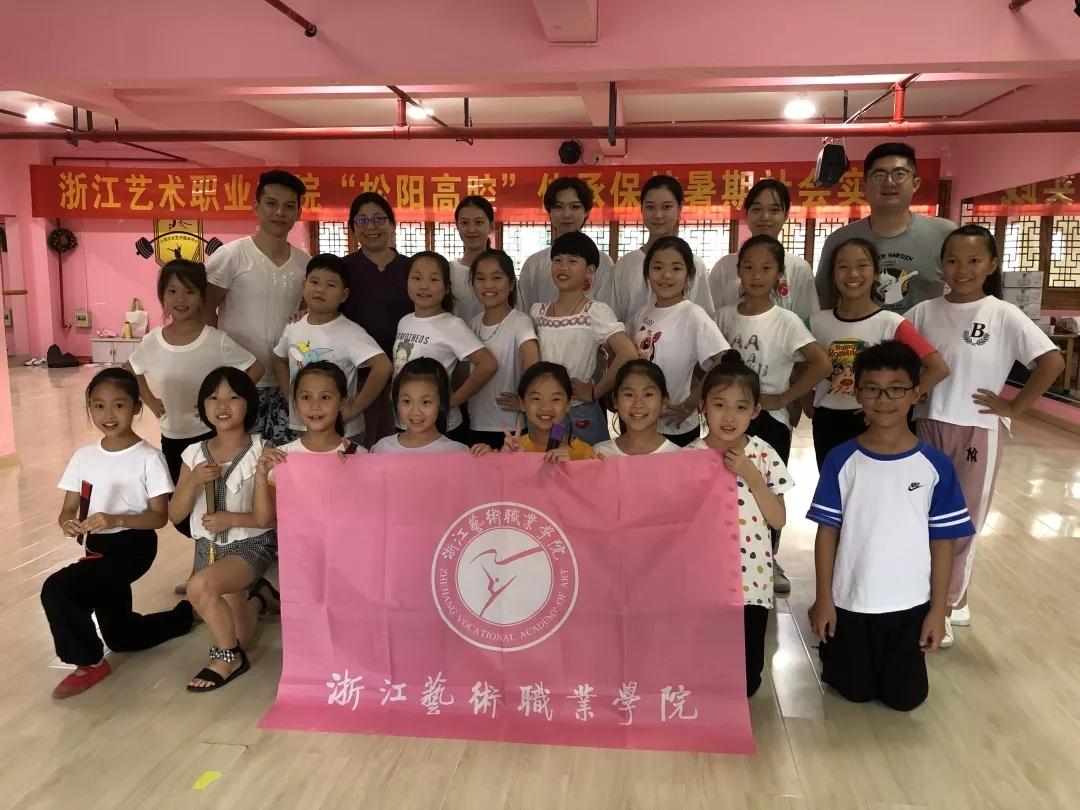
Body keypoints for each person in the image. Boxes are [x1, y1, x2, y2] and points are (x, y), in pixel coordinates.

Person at [905, 225, 1063, 645]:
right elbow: (897, 352)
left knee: (964, 520)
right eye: (953, 260)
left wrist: (1014, 406)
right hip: (928, 423)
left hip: (978, 429)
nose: (962, 269)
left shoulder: (1003, 314)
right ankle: (934, 595)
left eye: (974, 261)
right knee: (924, 515)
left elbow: (1051, 361)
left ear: (992, 265)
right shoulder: (923, 313)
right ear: (941, 265)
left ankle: (948, 605)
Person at [807, 341, 974, 711]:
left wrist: (938, 610)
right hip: (851, 600)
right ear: (857, 392)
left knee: (906, 699)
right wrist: (824, 598)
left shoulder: (936, 466)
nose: (884, 399)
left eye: (896, 389)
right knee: (853, 691)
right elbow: (827, 532)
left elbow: (943, 542)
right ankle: (835, 653)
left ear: (916, 393)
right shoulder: (841, 459)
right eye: (872, 389)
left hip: (910, 604)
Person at [43, 369, 195, 699]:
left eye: (118, 405)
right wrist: (67, 524)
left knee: (58, 588)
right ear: (89, 408)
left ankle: (88, 663)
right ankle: (186, 615)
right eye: (98, 406)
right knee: (122, 636)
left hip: (133, 547)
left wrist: (115, 518)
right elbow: (68, 509)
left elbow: (159, 517)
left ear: (136, 407)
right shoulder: (83, 457)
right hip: (96, 545)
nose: (108, 415)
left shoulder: (149, 458)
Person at [716, 234, 830, 594]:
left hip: (769, 421)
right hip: (727, 419)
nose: (756, 275)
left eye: (766, 268)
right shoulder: (723, 316)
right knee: (728, 489)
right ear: (738, 271)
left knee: (766, 490)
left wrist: (784, 397)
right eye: (749, 267)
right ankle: (726, 556)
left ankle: (768, 558)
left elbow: (821, 363)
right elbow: (709, 364)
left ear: (779, 274)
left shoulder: (786, 320)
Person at [129, 259, 262, 541]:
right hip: (172, 436)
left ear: (202, 296)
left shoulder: (216, 340)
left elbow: (255, 368)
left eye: (190, 291)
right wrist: (150, 400)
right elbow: (131, 369)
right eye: (172, 291)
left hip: (209, 436)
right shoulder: (152, 341)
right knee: (180, 512)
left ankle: (220, 556)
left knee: (213, 503)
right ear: (162, 296)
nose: (181, 299)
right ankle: (207, 555)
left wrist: (220, 404)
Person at [686, 352, 792, 697]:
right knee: (705, 666)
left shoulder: (763, 454)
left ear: (756, 411)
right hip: (704, 579)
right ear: (702, 406)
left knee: (746, 680)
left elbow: (778, 519)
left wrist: (753, 477)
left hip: (751, 578)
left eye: (740, 407)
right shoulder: (688, 457)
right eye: (719, 405)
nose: (729, 417)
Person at [169, 367, 277, 692]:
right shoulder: (193, 454)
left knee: (200, 589)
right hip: (209, 550)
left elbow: (267, 519)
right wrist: (192, 480)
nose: (222, 405)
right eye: (213, 397)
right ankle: (260, 597)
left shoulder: (262, 450)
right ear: (202, 406)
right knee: (240, 632)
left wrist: (230, 519)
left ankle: (229, 657)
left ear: (250, 403)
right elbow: (175, 513)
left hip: (250, 546)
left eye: (233, 397)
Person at [805, 238, 949, 469]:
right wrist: (804, 397)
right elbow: (797, 363)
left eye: (862, 265)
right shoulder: (815, 322)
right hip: (828, 421)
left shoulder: (893, 323)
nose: (852, 273)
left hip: (877, 421)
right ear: (833, 274)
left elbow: (938, 368)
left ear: (875, 273)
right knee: (834, 483)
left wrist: (898, 401)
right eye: (843, 266)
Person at [205, 169, 309, 446]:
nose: (280, 213)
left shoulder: (305, 264)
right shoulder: (232, 256)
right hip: (240, 381)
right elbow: (205, 312)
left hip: (288, 381)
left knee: (283, 459)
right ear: (256, 207)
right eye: (271, 204)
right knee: (239, 457)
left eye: (289, 206)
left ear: (299, 213)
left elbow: (306, 317)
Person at [814, 143, 958, 313]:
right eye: (879, 175)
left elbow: (966, 290)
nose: (889, 182)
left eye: (900, 174)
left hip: (924, 331)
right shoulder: (840, 240)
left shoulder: (944, 234)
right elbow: (824, 300)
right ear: (863, 187)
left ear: (915, 184)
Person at [272, 254, 392, 447]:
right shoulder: (294, 325)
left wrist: (355, 408)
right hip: (303, 425)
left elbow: (383, 366)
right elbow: (278, 359)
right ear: (304, 286)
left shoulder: (350, 331)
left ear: (344, 295)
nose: (320, 289)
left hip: (343, 430)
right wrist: (291, 398)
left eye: (331, 285)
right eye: (314, 282)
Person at [530, 232, 638, 446]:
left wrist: (596, 391)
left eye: (572, 261)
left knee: (586, 461)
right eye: (557, 260)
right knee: (551, 460)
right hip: (545, 412)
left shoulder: (595, 311)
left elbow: (628, 352)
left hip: (579, 413)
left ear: (589, 271)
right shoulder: (537, 312)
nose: (563, 267)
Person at [628, 236, 729, 446]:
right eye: (657, 268)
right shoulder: (643, 313)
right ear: (647, 272)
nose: (666, 275)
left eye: (676, 268)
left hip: (674, 426)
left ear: (689, 274)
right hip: (639, 420)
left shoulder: (692, 314)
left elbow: (723, 360)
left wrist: (690, 404)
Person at [392, 251, 498, 446]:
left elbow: (488, 364)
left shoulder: (452, 325)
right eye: (417, 278)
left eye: (433, 279)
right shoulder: (404, 321)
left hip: (442, 427)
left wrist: (453, 401)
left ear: (447, 287)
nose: (424, 286)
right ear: (406, 283)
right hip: (406, 421)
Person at [341, 192, 414, 446]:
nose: (370, 226)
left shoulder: (411, 269)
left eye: (378, 219)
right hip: (357, 378)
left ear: (392, 224)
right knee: (360, 448)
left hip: (406, 377)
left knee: (400, 447)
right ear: (352, 228)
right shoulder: (342, 269)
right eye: (361, 220)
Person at [607, 175, 714, 323]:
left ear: (680, 208)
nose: (658, 215)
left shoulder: (694, 264)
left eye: (667, 207)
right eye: (650, 207)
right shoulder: (625, 264)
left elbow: (705, 320)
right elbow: (612, 319)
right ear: (641, 209)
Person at [709, 178, 819, 318]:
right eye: (757, 209)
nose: (765, 217)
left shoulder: (799, 268)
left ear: (786, 215)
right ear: (746, 213)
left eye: (774, 210)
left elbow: (807, 321)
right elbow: (710, 319)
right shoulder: (724, 267)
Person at [467, 249, 539, 450]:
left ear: (511, 283)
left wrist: (525, 400)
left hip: (510, 426)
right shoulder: (472, 324)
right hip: (475, 421)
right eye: (480, 278)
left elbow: (532, 361)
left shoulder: (520, 321)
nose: (488, 285)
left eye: (497, 278)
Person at [516, 177, 614, 313]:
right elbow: (523, 311)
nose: (567, 214)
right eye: (558, 207)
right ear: (549, 212)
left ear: (586, 211)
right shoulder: (534, 264)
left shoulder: (602, 262)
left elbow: (607, 311)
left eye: (575, 207)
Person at [484, 361, 598, 461]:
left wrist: (571, 469)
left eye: (555, 399)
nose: (546, 407)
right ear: (522, 403)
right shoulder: (512, 448)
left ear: (568, 405)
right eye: (536, 398)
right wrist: (493, 457)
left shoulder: (584, 453)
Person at [371, 358, 470, 453]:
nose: (416, 412)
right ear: (397, 402)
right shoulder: (382, 448)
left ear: (441, 403)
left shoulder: (457, 451)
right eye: (407, 401)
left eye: (426, 402)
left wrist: (479, 456)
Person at [593, 360, 682, 457]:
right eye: (629, 394)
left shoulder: (677, 455)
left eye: (648, 394)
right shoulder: (599, 453)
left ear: (664, 401)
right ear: (615, 400)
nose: (638, 404)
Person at [450, 195, 493, 323]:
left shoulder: (502, 270)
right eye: (464, 223)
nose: (471, 229)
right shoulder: (447, 271)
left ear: (491, 227)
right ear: (457, 227)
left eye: (478, 222)